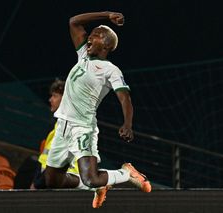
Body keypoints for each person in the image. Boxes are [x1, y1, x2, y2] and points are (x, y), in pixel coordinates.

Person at [44, 11, 152, 208]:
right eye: (90, 34)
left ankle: (127, 173)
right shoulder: (83, 55)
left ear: (107, 44)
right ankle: (101, 186)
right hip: (62, 127)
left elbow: (125, 97)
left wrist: (127, 124)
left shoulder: (110, 70)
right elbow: (73, 21)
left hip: (82, 128)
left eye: (95, 34)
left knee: (91, 178)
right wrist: (106, 15)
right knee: (52, 180)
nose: (89, 37)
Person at [30, 79, 79, 189]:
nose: (50, 99)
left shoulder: (68, 126)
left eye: (55, 96)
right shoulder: (60, 125)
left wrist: (37, 184)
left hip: (60, 181)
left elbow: (58, 160)